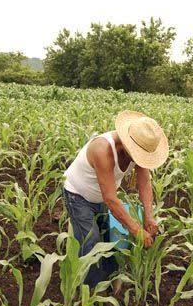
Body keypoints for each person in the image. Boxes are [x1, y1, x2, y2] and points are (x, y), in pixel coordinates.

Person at [63, 110, 169, 287]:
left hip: (100, 199)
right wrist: (136, 229)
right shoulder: (102, 150)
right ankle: (91, 295)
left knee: (107, 241)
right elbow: (111, 199)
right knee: (91, 243)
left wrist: (149, 216)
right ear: (129, 144)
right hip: (77, 196)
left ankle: (110, 281)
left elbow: (144, 184)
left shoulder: (137, 150)